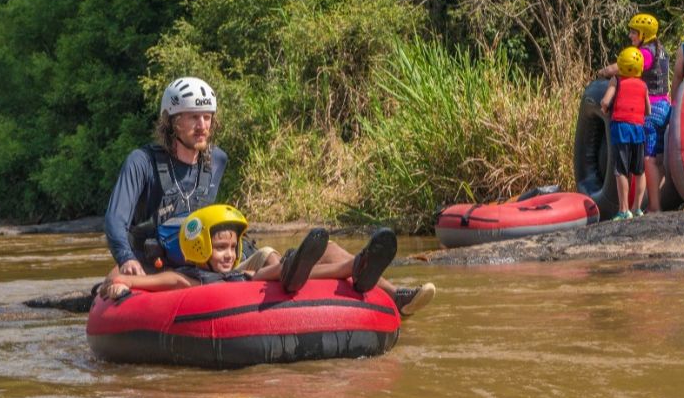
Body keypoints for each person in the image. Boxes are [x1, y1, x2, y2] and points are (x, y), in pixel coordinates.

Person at [103, 77, 435, 317]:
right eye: (192, 117)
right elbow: (116, 220)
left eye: (207, 117)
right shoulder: (142, 162)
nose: (202, 125)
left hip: (217, 258)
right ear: (172, 122)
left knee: (313, 250)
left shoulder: (216, 160)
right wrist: (125, 258)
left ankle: (396, 295)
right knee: (114, 282)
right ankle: (312, 273)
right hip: (167, 263)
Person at [98, 204, 397, 299]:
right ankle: (301, 269)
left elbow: (250, 273)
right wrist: (122, 282)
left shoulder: (237, 270)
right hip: (232, 290)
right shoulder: (192, 277)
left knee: (273, 270)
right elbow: (157, 282)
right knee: (272, 272)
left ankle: (354, 266)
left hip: (247, 282)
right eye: (220, 249)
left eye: (232, 247)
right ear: (199, 247)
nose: (229, 254)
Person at [595, 14, 670, 213]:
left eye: (634, 32)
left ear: (644, 34)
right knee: (655, 158)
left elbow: (626, 67)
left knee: (648, 159)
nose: (630, 36)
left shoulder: (646, 52)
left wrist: (604, 72)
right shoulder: (661, 50)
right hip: (663, 105)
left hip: (651, 108)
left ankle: (653, 206)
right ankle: (647, 204)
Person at [600, 47, 650, 220]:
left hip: (621, 128)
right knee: (639, 170)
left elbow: (606, 100)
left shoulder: (617, 80)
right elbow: (648, 110)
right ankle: (637, 208)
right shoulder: (643, 85)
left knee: (621, 170)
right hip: (638, 129)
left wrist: (604, 107)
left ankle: (624, 209)